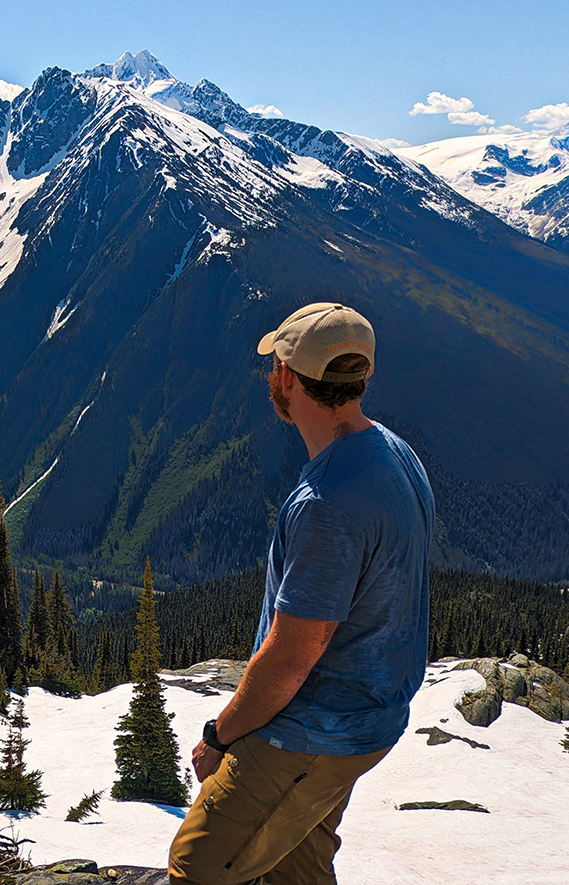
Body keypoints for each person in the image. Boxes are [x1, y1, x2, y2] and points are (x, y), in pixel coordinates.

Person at [167, 302, 434, 885]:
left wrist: (219, 737)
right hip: (369, 717)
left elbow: (291, 659)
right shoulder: (395, 453)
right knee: (296, 863)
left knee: (198, 865)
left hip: (312, 731)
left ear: (286, 377)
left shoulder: (328, 505)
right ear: (361, 376)